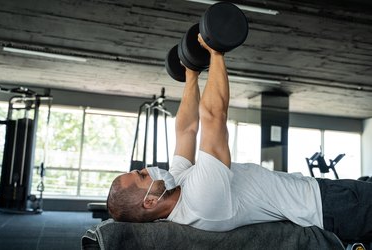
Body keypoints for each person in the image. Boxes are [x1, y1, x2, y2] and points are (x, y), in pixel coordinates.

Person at [107, 34, 372, 245]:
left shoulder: (178, 185)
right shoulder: (200, 200)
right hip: (332, 206)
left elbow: (186, 129)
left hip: (324, 195)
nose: (148, 169)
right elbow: (214, 117)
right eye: (142, 175)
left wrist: (191, 73)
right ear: (150, 202)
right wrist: (216, 52)